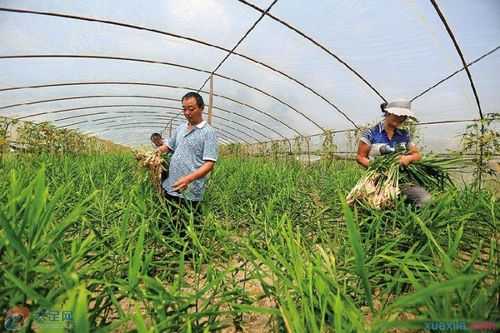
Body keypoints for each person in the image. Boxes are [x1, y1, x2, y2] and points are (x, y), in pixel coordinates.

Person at [155, 92, 218, 221]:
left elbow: (209, 164)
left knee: (187, 226)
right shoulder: (180, 128)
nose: (187, 113)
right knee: (168, 222)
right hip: (171, 186)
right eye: (184, 109)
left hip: (190, 190)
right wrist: (153, 153)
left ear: (201, 108)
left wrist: (188, 179)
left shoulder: (208, 132)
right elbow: (168, 147)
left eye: (191, 109)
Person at [356, 100, 431, 207]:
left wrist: (407, 159)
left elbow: (417, 155)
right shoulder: (370, 133)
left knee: (425, 200)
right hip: (376, 181)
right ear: (387, 113)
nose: (401, 118)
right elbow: (360, 157)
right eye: (398, 115)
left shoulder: (404, 135)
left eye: (404, 116)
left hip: (400, 180)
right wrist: (377, 167)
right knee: (380, 205)